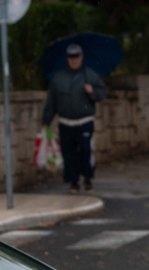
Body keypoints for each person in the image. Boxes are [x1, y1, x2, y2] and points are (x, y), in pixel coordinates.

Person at [41, 44, 107, 194]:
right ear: (67, 59)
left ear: (81, 57)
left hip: (85, 121)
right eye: (71, 57)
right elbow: (52, 101)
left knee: (85, 150)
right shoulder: (59, 78)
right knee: (68, 153)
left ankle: (88, 178)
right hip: (66, 122)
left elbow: (102, 92)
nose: (74, 60)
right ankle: (73, 182)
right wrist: (46, 120)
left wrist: (92, 92)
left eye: (76, 56)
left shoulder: (89, 75)